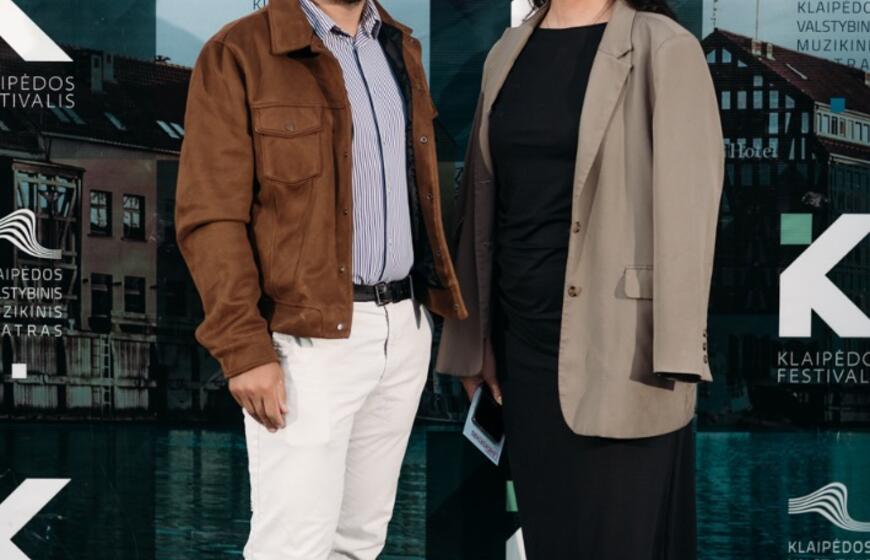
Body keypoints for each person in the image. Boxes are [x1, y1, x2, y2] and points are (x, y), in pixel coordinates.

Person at [174, 0, 467, 558]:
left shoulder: (397, 45)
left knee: (359, 543)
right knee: (293, 547)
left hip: (403, 331)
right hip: (306, 342)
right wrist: (243, 349)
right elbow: (210, 217)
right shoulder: (239, 51)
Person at [437, 0, 724, 558]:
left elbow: (691, 206)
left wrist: (677, 355)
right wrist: (475, 343)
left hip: (627, 356)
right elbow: (480, 204)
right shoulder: (507, 52)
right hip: (523, 360)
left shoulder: (664, 46)